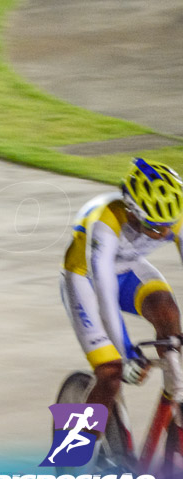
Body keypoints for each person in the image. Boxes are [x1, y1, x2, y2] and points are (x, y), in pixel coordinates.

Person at [60, 158, 183, 414]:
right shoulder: (104, 224)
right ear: (132, 212)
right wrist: (126, 353)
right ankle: (73, 451)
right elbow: (106, 298)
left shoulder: (172, 217)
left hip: (129, 267)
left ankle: (172, 403)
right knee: (111, 373)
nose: (164, 233)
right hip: (85, 279)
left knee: (169, 317)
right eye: (154, 226)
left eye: (168, 225)